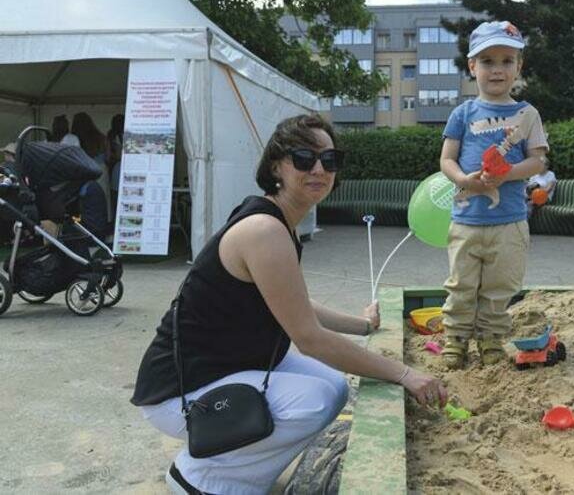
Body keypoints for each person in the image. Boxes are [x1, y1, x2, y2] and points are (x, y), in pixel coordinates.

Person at [131, 114, 447, 494]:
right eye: (303, 158)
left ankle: (231, 471)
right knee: (311, 402)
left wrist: (362, 325)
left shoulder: (279, 221)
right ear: (276, 166)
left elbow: (295, 303)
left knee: (331, 386)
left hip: (227, 366)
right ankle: (201, 478)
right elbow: (308, 338)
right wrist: (405, 374)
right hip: (182, 389)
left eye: (329, 161)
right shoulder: (264, 230)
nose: (318, 169)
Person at [439, 21, 549, 369]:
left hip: (510, 221)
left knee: (499, 287)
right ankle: (455, 339)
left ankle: (490, 339)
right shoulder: (463, 113)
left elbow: (537, 161)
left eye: (506, 60)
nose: (497, 69)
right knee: (461, 285)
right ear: (472, 66)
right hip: (467, 220)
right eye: (487, 61)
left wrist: (506, 175)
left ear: (519, 66)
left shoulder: (528, 115)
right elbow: (446, 160)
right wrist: (465, 181)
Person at [72, 112, 112, 225]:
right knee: (104, 199)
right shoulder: (102, 137)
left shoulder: (77, 139)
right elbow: (108, 157)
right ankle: (106, 222)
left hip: (86, 171)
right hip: (102, 170)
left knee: (87, 201)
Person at [106, 114, 124, 220]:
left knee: (115, 201)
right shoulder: (128, 135)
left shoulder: (112, 136)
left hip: (116, 170)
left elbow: (116, 156)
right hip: (127, 169)